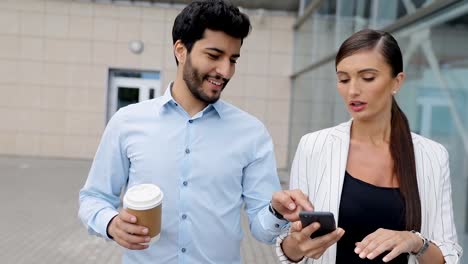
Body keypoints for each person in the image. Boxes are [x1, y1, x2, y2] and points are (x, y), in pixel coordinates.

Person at [79, 1, 311, 263]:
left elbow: (262, 227)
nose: (225, 71)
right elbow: (94, 198)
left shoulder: (252, 133)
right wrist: (111, 223)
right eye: (214, 56)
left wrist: (276, 212)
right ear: (181, 50)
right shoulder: (127, 122)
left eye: (232, 60)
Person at [275, 29, 463, 264]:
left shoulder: (432, 156)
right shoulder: (314, 146)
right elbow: (292, 247)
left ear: (397, 81)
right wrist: (298, 245)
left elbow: (448, 255)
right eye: (343, 79)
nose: (353, 90)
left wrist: (415, 242)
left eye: (367, 77)